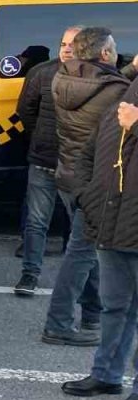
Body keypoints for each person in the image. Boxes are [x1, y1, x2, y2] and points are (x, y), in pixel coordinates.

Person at [43, 27, 127, 347]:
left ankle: (92, 312)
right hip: (98, 182)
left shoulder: (63, 77)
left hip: (69, 175)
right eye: (114, 48)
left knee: (87, 250)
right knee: (80, 254)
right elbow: (116, 97)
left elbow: (101, 84)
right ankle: (58, 323)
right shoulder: (117, 89)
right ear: (104, 54)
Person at [66, 81, 138, 400]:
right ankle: (106, 374)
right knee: (114, 307)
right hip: (110, 226)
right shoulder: (114, 111)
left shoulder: (128, 117)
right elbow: (86, 157)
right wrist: (85, 197)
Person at [14, 26, 81, 296]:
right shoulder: (42, 72)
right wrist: (42, 135)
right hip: (43, 158)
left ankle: (77, 281)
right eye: (63, 43)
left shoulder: (95, 76)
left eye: (73, 45)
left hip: (77, 164)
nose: (66, 48)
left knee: (79, 224)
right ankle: (29, 275)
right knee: (36, 221)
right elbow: (25, 110)